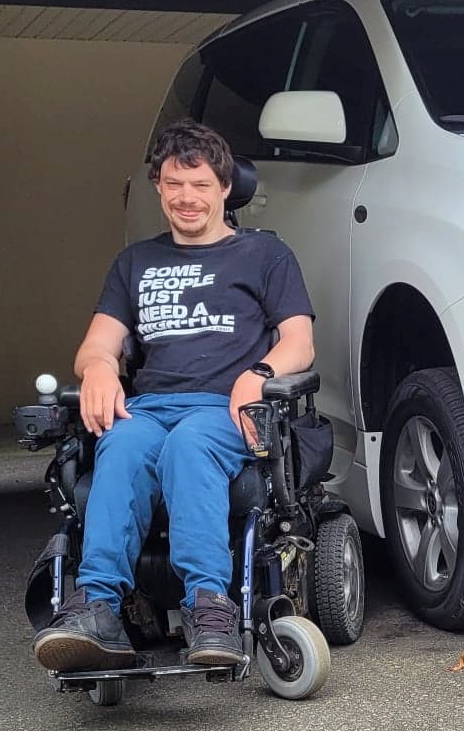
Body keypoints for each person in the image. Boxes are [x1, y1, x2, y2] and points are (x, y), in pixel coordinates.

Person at [32, 119, 315, 672]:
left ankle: (209, 607)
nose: (188, 197)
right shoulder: (134, 262)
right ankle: (97, 610)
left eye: (201, 184)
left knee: (190, 445)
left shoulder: (264, 256)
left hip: (224, 411)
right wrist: (97, 371)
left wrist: (257, 373)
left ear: (225, 188)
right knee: (120, 444)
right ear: (158, 187)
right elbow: (97, 345)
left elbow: (299, 342)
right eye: (174, 184)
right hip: (150, 408)